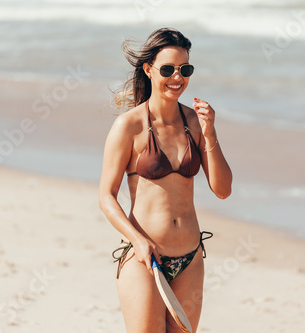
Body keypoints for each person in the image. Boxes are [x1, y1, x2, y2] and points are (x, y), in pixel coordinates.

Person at [99, 27, 232, 333]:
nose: (177, 77)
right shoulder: (128, 126)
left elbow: (223, 190)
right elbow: (106, 196)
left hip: (190, 258)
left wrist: (210, 132)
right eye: (168, 69)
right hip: (145, 260)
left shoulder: (195, 124)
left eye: (185, 69)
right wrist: (138, 241)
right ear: (148, 69)